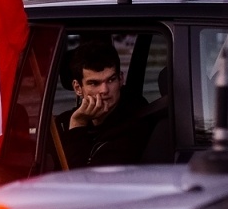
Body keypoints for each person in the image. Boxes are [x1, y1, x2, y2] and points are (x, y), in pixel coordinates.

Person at [56, 39, 160, 168]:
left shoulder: (134, 127)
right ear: (78, 88)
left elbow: (83, 182)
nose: (105, 90)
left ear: (121, 79)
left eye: (111, 80)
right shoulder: (62, 123)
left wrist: (78, 124)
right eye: (94, 83)